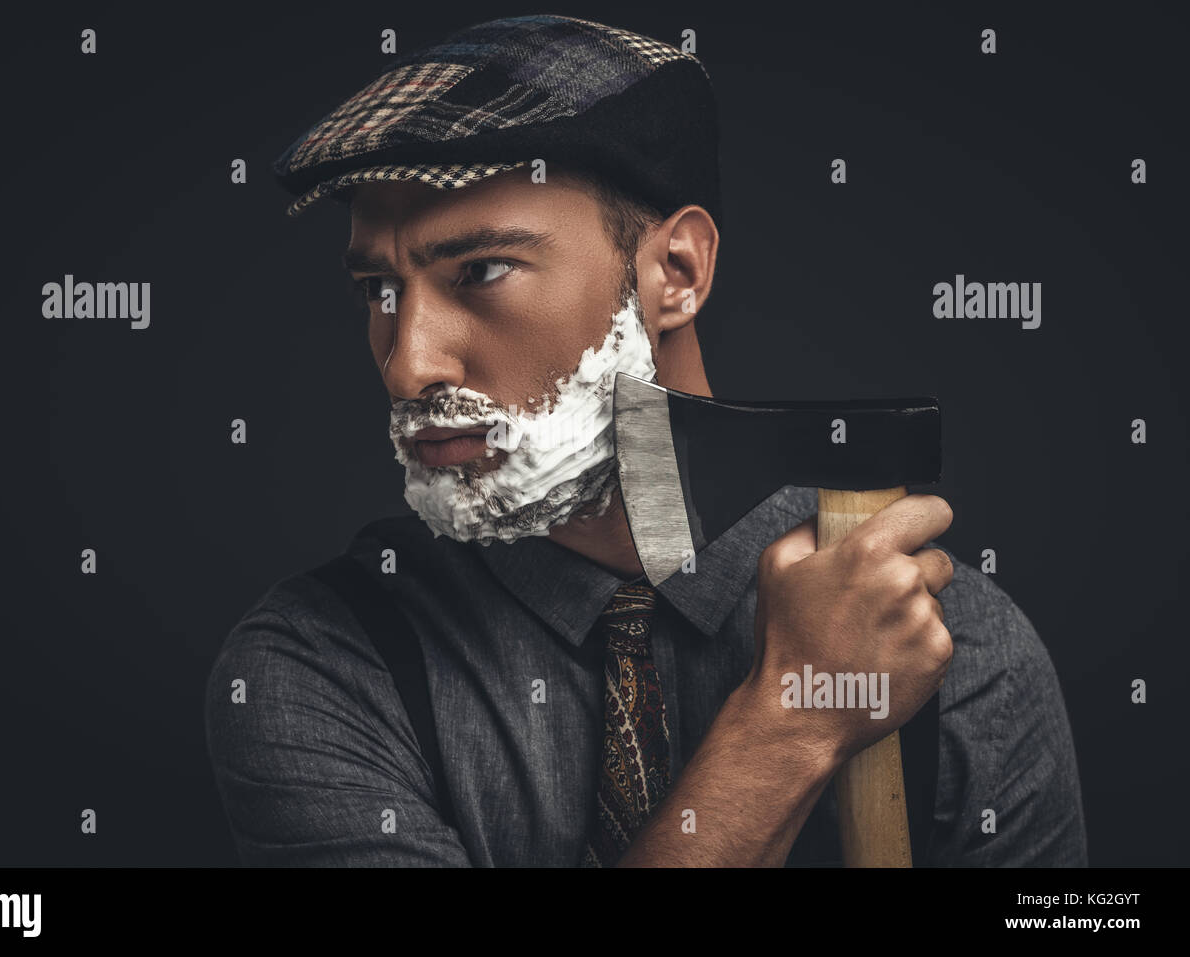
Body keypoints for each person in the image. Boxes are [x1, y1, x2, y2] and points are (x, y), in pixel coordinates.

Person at [204, 14, 1086, 867]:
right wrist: (794, 717)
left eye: (479, 271)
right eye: (378, 289)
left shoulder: (949, 647)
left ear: (677, 272)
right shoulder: (318, 668)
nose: (407, 366)